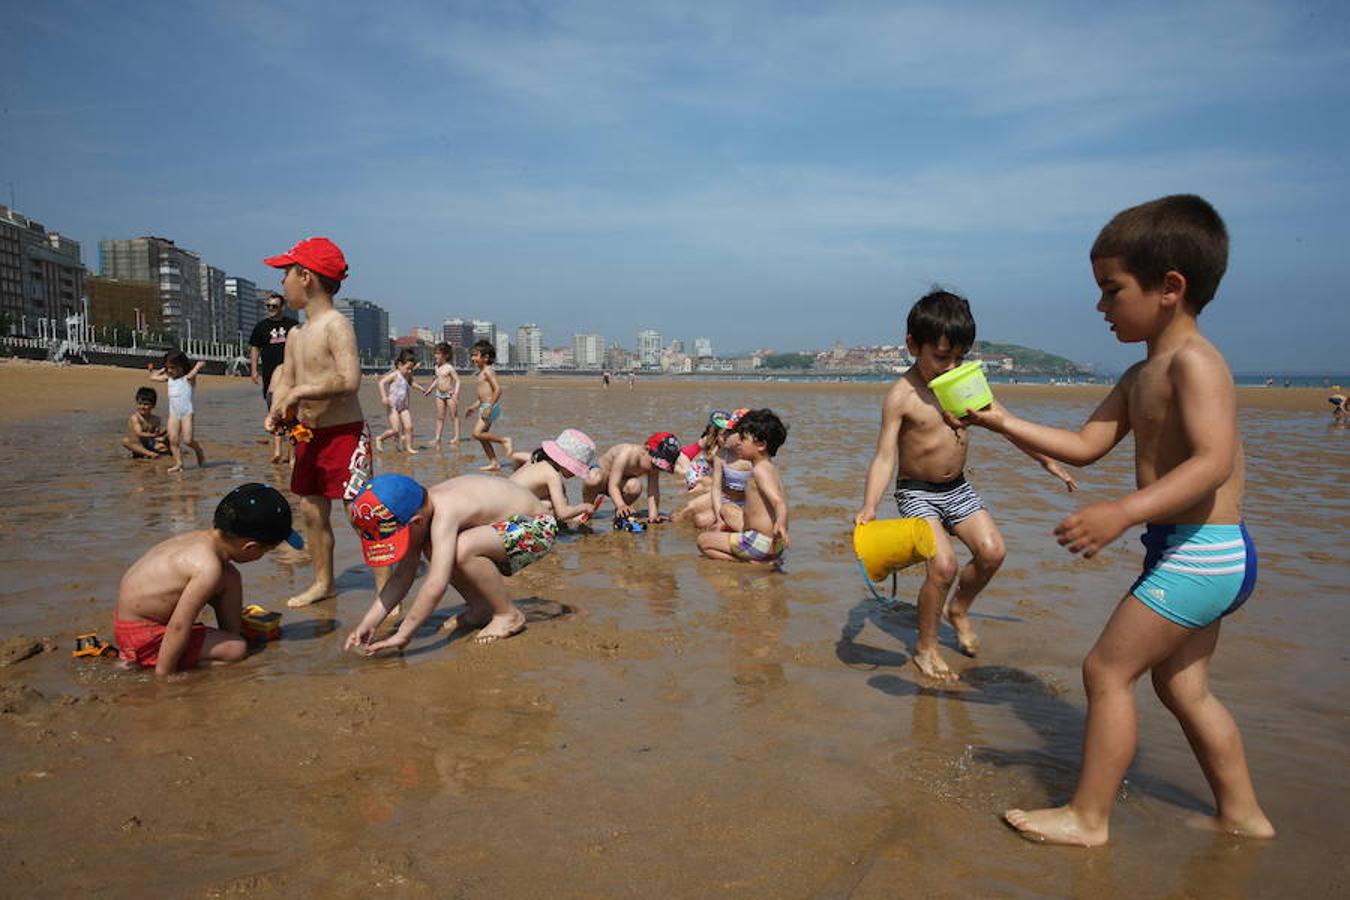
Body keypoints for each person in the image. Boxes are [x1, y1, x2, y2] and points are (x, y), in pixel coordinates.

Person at [959, 194, 1274, 847]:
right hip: (1192, 552)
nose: (1100, 307)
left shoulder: (1197, 363)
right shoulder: (1140, 373)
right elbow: (1084, 444)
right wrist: (999, 418)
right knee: (1183, 688)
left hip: (1204, 551)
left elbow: (1214, 462)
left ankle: (1088, 817)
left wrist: (1123, 512)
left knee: (1106, 671)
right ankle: (1243, 815)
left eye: (1111, 290)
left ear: (1170, 288)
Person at [855, 290, 1078, 681]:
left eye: (959, 357)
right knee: (943, 565)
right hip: (917, 492)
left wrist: (1047, 460)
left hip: (957, 488)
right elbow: (885, 457)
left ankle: (957, 609)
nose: (950, 367)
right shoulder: (901, 397)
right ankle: (925, 648)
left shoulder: (963, 384)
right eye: (941, 357)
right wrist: (869, 506)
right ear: (912, 346)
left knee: (992, 552)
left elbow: (1006, 424)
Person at [262, 236, 372, 608]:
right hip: (309, 435)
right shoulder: (296, 333)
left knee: (359, 513)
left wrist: (298, 393)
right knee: (310, 510)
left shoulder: (335, 325)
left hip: (345, 432)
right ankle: (323, 582)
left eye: (286, 275)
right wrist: (278, 407)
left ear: (305, 277)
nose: (282, 284)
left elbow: (348, 379)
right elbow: (288, 380)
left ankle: (388, 583)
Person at [344, 473, 558, 652]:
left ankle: (508, 614)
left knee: (461, 549)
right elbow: (402, 576)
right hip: (505, 529)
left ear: (416, 522)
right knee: (437, 548)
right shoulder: (420, 511)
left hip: (538, 528)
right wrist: (368, 623)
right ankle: (481, 608)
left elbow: (436, 584)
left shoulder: (445, 511)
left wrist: (404, 634)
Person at [114, 483, 299, 675]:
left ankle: (227, 635)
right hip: (144, 635)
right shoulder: (208, 568)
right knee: (237, 649)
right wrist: (165, 677)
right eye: (267, 551)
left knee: (230, 577)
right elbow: (178, 626)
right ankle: (148, 663)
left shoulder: (200, 541)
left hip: (129, 624)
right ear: (250, 547)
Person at [697, 409, 790, 566]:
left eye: (743, 438)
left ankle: (753, 563)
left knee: (703, 541)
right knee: (726, 509)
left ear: (761, 444)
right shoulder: (768, 467)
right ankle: (762, 557)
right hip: (774, 545)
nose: (738, 442)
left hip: (760, 543)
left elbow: (778, 502)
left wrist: (780, 524)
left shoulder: (760, 470)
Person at [508, 428, 603, 526]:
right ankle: (575, 520)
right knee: (550, 508)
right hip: (508, 515)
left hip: (499, 502)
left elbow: (516, 456)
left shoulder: (536, 459)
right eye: (576, 467)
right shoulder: (553, 475)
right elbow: (562, 514)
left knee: (549, 502)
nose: (576, 473)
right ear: (565, 462)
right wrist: (584, 507)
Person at [249, 292, 301, 464]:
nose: (271, 309)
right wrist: (254, 370)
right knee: (273, 412)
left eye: (274, 306)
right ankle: (278, 451)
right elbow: (255, 348)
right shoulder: (261, 327)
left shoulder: (292, 325)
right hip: (270, 377)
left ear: (282, 307)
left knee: (291, 415)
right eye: (268, 306)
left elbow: (302, 347)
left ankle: (291, 453)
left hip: (291, 377)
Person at [584, 432, 681, 522]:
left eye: (660, 467)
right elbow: (613, 485)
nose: (656, 469)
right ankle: (586, 509)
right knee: (594, 478)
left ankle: (621, 514)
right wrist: (621, 505)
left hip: (621, 483)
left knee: (635, 486)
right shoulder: (626, 454)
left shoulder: (652, 466)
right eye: (656, 465)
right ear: (646, 450)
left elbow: (653, 491)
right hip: (603, 478)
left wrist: (653, 516)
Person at [149, 350, 207, 474]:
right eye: (168, 368)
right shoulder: (168, 378)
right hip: (174, 414)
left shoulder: (188, 378)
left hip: (186, 413)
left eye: (173, 368)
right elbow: (152, 377)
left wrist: (198, 366)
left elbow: (192, 375)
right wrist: (162, 370)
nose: (170, 371)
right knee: (173, 439)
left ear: (182, 366)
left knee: (187, 440)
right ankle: (179, 463)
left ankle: (198, 450)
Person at [463, 339, 513, 470]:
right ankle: (494, 462)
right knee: (482, 437)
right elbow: (483, 397)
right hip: (485, 407)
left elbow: (498, 389)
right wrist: (472, 407)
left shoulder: (488, 371)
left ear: (485, 358)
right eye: (472, 355)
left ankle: (504, 440)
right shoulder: (480, 373)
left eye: (475, 355)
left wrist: (489, 407)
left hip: (490, 407)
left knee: (476, 433)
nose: (472, 358)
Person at [375, 350, 424, 454]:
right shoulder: (395, 375)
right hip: (392, 406)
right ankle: (380, 438)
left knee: (409, 427)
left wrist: (420, 388)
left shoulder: (407, 376)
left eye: (411, 369)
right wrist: (384, 397)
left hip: (403, 407)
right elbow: (381, 383)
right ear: (400, 365)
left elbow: (411, 383)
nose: (410, 371)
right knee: (395, 430)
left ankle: (409, 447)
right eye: (408, 368)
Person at [424, 342, 462, 447]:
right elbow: (437, 379)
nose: (435, 356)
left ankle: (457, 437)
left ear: (445, 355)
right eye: (435, 353)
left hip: (450, 394)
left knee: (454, 416)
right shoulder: (437, 367)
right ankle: (437, 438)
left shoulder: (449, 368)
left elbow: (458, 381)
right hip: (439, 394)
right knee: (440, 416)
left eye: (438, 353)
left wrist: (456, 393)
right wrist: (430, 389)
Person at [121, 386, 168, 459]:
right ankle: (150, 454)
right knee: (125, 441)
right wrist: (153, 435)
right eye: (140, 403)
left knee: (165, 441)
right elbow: (139, 433)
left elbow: (157, 434)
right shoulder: (135, 418)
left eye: (146, 404)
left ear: (153, 405)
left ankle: (152, 453)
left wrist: (162, 433)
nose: (142, 406)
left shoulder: (156, 419)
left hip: (150, 444)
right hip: (137, 445)